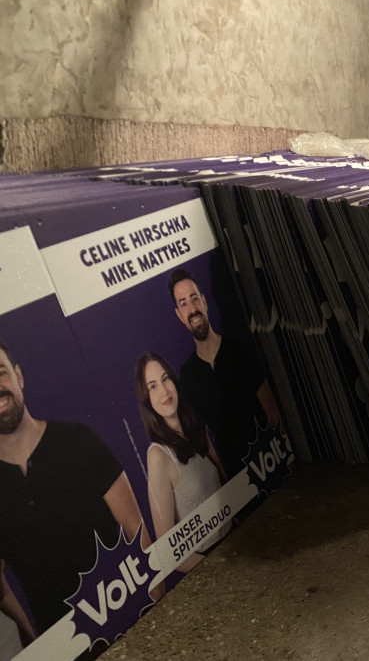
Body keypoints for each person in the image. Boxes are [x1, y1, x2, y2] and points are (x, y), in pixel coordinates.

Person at [0, 340, 156, 638]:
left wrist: (159, 604)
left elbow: (138, 532)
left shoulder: (78, 441)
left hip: (133, 623)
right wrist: (34, 640)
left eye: (0, 372)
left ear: (18, 375)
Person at [168, 269, 280, 479]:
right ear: (179, 315)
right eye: (183, 303)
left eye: (194, 298)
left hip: (273, 466)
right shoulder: (188, 376)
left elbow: (271, 408)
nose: (192, 308)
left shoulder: (238, 349)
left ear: (204, 301)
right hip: (238, 482)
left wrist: (286, 462)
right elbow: (203, 437)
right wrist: (225, 478)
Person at [135, 352, 231, 573]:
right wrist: (217, 570)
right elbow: (168, 553)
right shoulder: (158, 456)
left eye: (165, 378)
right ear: (146, 399)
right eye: (152, 386)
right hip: (212, 562)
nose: (164, 391)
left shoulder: (197, 429)